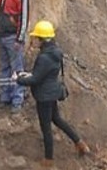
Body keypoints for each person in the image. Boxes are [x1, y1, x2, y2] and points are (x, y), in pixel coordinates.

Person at [14, 20, 92, 166]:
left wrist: (18, 79)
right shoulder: (55, 52)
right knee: (57, 119)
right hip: (52, 93)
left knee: (46, 128)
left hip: (44, 96)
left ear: (41, 39)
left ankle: (48, 160)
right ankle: (80, 143)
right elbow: (43, 74)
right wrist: (29, 74)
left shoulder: (44, 57)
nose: (34, 40)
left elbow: (36, 79)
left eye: (36, 37)